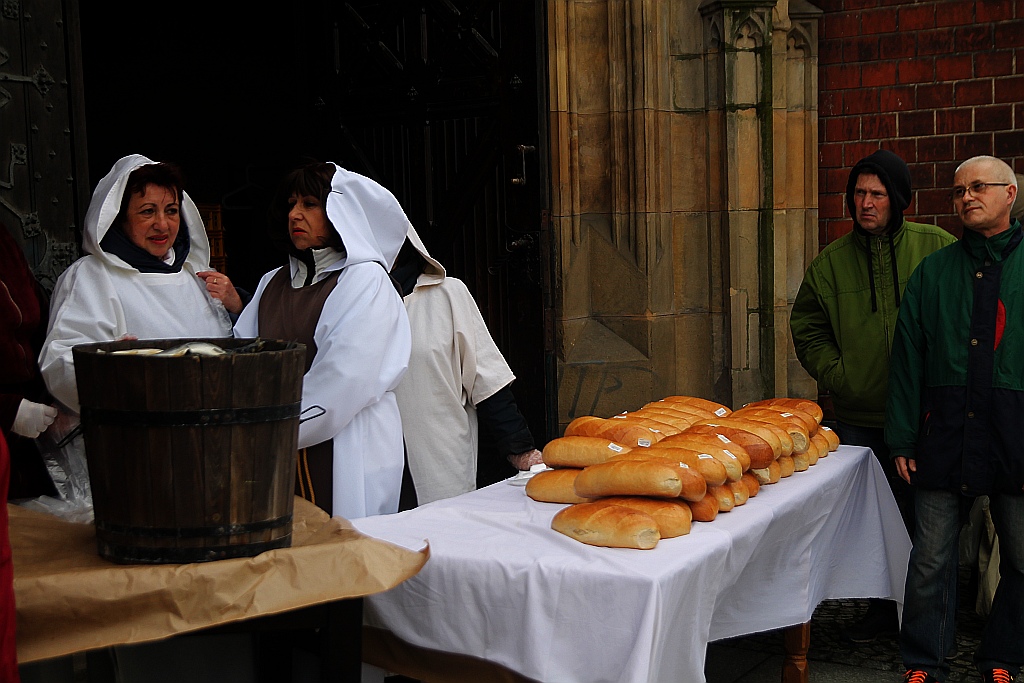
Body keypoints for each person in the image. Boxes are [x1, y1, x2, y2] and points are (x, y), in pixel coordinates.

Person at [789, 149, 956, 643]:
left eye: (877, 194)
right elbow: (807, 328)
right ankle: (882, 613)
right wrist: (841, 375)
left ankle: (929, 621)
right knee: (873, 525)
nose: (866, 203)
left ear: (898, 199)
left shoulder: (936, 246)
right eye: (859, 193)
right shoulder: (830, 263)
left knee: (928, 522)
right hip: (861, 418)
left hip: (926, 415)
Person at [887, 156, 1022, 683]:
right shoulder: (934, 272)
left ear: (1010, 194)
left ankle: (1004, 657)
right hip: (943, 431)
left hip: (1016, 432)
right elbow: (907, 361)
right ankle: (924, 660)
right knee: (929, 561)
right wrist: (902, 436)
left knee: (1022, 559)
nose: (966, 197)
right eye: (959, 190)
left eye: (979, 187)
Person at [233, 161, 411, 519]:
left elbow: (344, 379)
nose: (295, 214)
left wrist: (262, 432)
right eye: (291, 204)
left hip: (349, 443)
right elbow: (241, 358)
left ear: (341, 213)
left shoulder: (364, 281)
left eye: (310, 204)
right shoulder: (272, 283)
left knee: (343, 552)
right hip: (275, 449)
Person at [39, 154, 241, 416]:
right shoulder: (91, 278)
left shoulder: (196, 275)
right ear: (119, 218)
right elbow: (60, 363)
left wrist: (237, 307)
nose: (162, 224)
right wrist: (113, 367)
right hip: (132, 439)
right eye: (148, 211)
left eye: (171, 210)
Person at [389, 224, 543, 505]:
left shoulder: (446, 294)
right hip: (370, 466)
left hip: (437, 465)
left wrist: (521, 450)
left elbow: (486, 380)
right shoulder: (343, 304)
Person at [1, 220, 58, 500]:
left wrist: (56, 393)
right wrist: (7, 409)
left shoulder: (4, 241)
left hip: (26, 439)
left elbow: (40, 323)